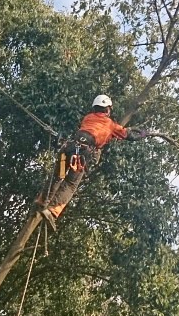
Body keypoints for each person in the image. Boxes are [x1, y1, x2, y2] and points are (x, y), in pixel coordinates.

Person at [39, 94, 146, 228]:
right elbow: (127, 135)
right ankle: (52, 210)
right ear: (107, 110)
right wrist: (141, 135)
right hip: (81, 156)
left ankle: (41, 201)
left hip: (67, 150)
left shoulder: (87, 118)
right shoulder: (110, 124)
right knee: (71, 183)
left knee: (57, 176)